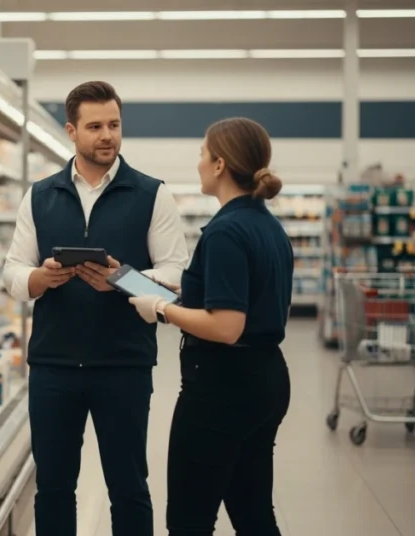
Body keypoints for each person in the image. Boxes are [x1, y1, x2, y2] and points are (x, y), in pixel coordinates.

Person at [2, 81, 189, 536]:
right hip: (53, 367)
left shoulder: (150, 194)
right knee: (53, 488)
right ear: (72, 131)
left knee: (128, 487)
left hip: (122, 365)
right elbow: (11, 272)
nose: (107, 135)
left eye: (114, 125)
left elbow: (174, 276)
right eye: (95, 126)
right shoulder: (40, 194)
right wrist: (39, 279)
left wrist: (121, 281)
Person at [128, 117, 293, 536]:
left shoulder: (225, 231)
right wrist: (159, 284)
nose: (198, 162)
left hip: (222, 389)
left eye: (202, 153)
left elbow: (226, 326)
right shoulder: (268, 226)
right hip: (266, 380)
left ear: (219, 164)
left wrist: (161, 309)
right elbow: (241, 301)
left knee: (188, 520)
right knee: (254, 513)